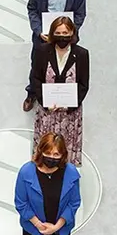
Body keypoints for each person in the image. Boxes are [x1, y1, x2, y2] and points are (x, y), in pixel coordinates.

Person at [14, 132, 81, 235]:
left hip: (59, 227)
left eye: (56, 154)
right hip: (34, 227)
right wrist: (39, 225)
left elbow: (74, 203)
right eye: (48, 153)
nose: (52, 157)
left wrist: (57, 226)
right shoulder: (26, 172)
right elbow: (21, 202)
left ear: (63, 154)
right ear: (40, 151)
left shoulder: (71, 173)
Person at [22, 0, 87, 112]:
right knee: (37, 65)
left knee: (65, 66)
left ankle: (63, 94)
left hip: (66, 36)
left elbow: (80, 13)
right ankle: (32, 94)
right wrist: (38, 31)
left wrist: (69, 31)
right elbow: (32, 8)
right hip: (43, 35)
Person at [31, 16, 89, 165]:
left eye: (65, 33)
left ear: (72, 34)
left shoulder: (82, 54)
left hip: (70, 114)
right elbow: (35, 79)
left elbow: (83, 84)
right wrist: (44, 103)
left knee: (65, 148)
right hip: (47, 112)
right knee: (47, 147)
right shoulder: (42, 51)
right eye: (58, 33)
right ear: (52, 34)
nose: (62, 37)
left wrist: (70, 105)